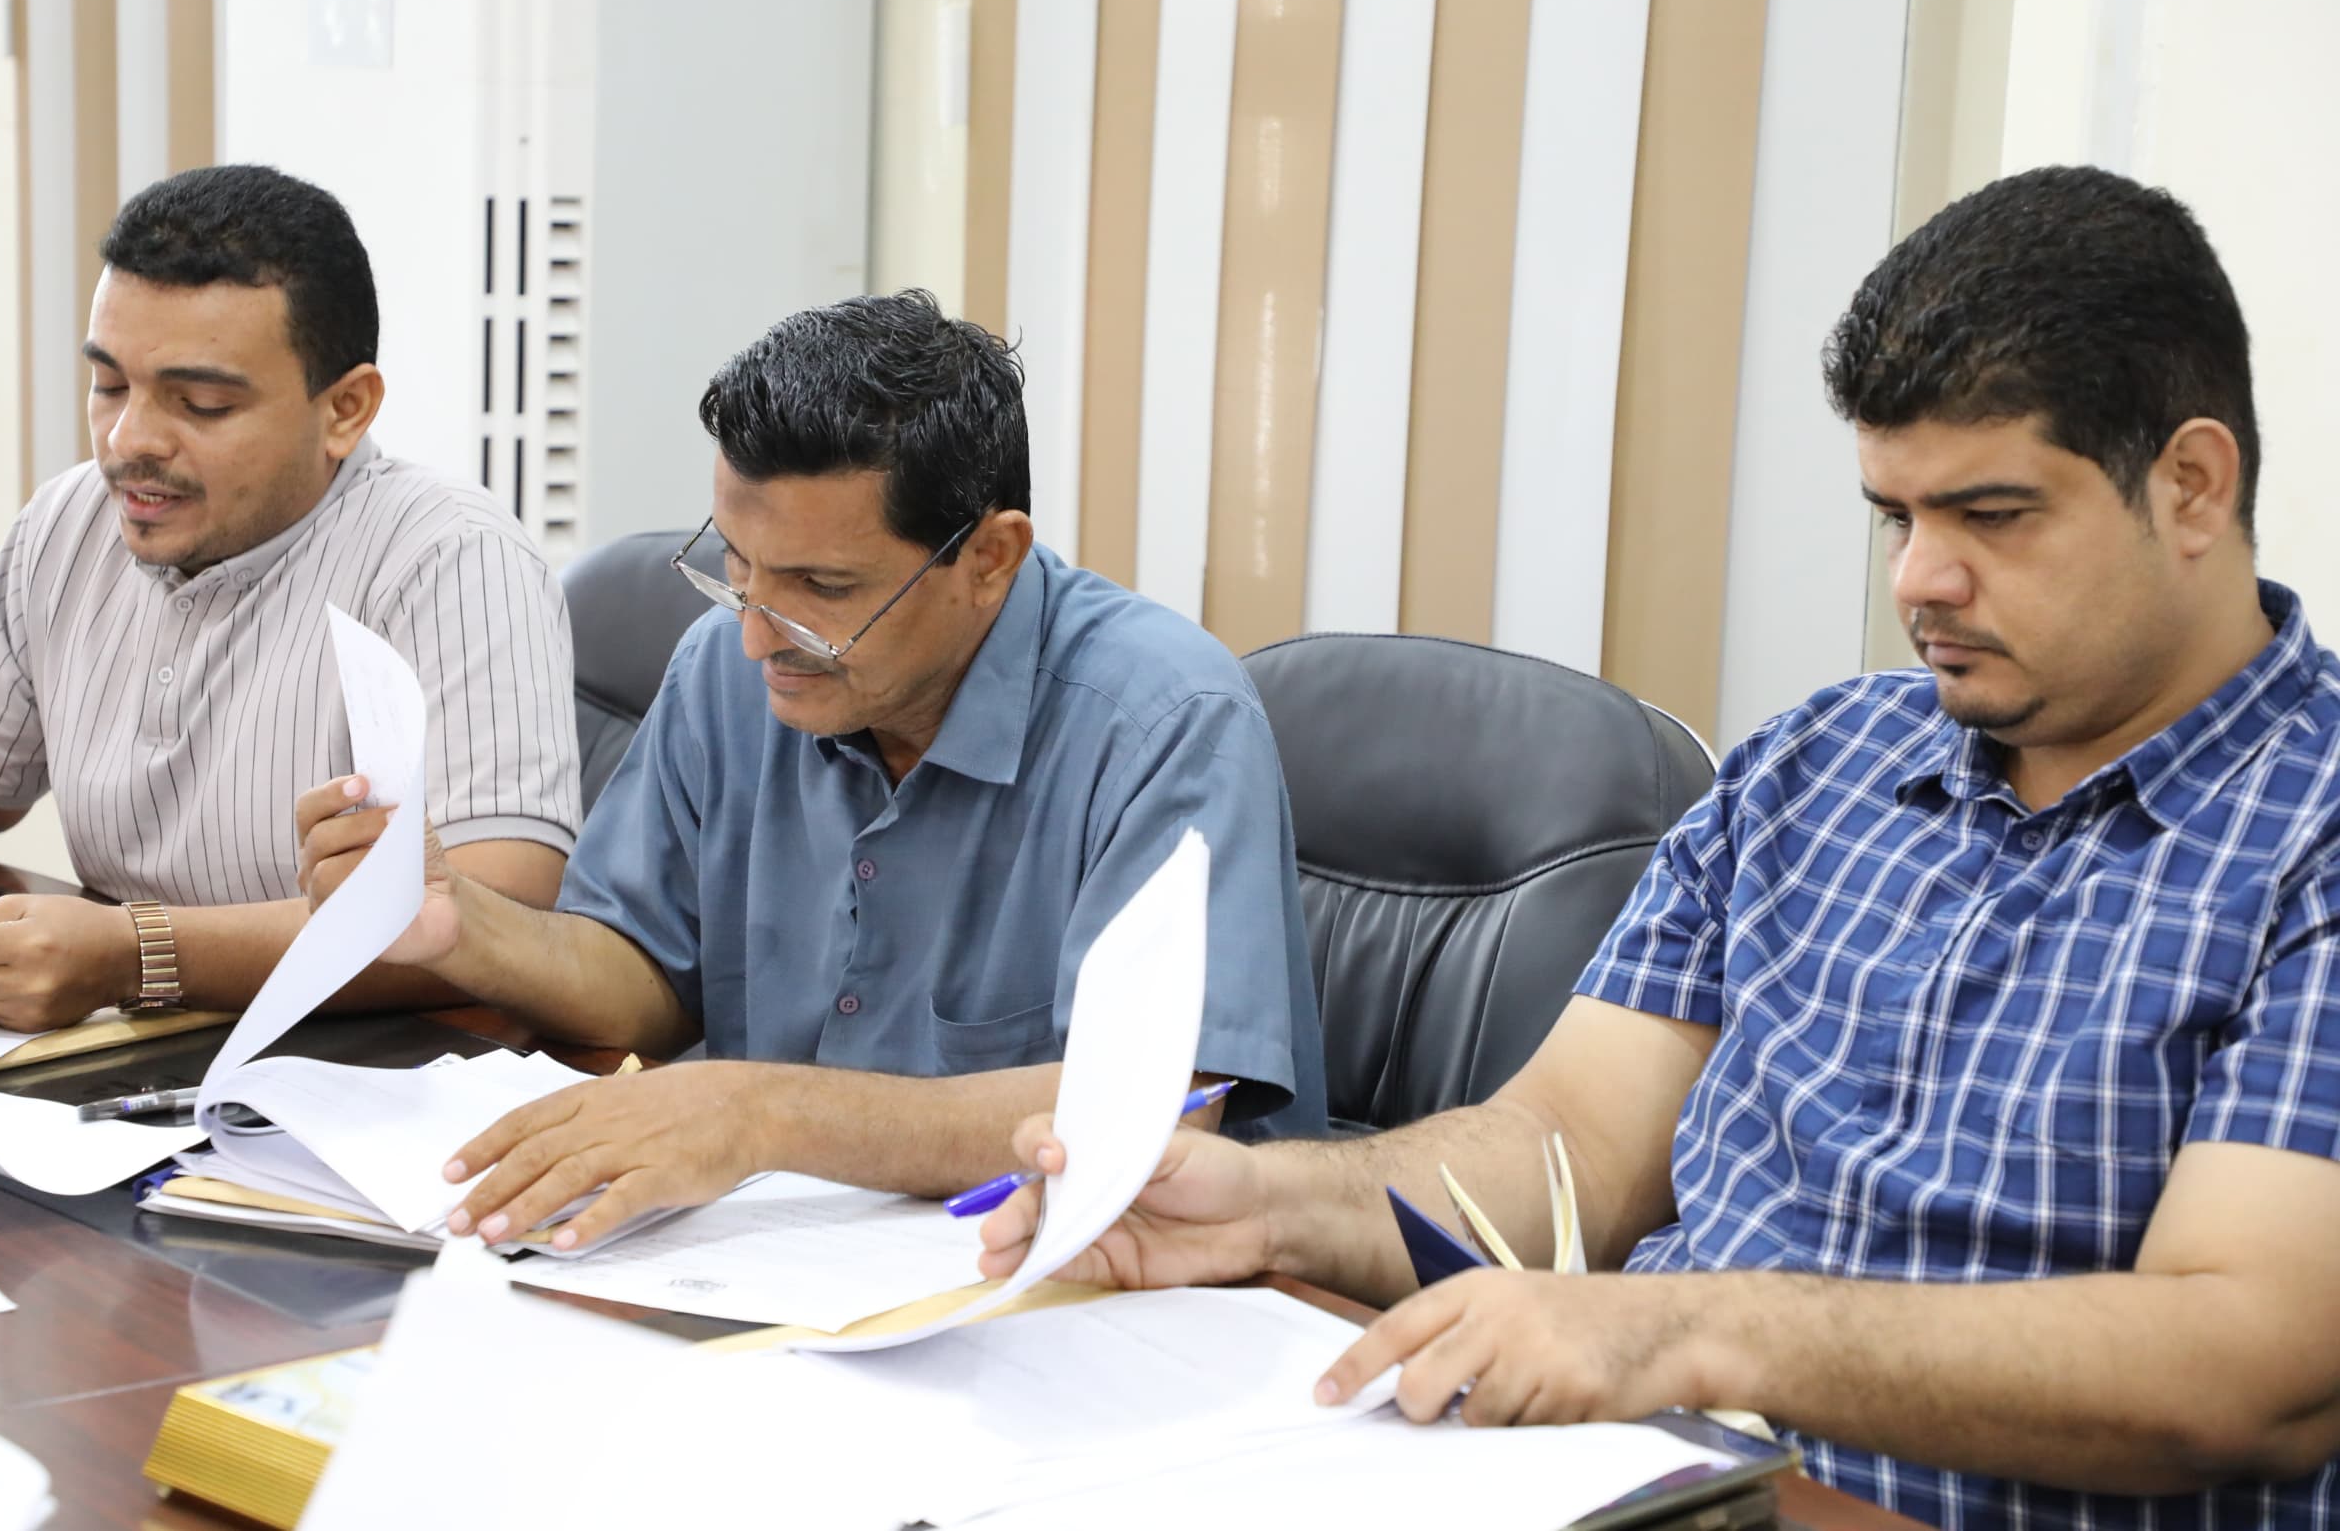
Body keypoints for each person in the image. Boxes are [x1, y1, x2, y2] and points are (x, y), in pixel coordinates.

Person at [980, 167, 2340, 1527]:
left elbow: (2248, 1368)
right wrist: (1263, 1207)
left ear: (2191, 486)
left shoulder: (2309, 830)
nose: (1919, 578)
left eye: (1990, 515)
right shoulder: (1816, 765)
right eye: (1896, 515)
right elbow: (1562, 1147)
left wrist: (1691, 1328)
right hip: (1640, 1491)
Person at [295, 290, 1327, 1251]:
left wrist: (763, 1113)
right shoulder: (727, 664)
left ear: (990, 559)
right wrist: (462, 926)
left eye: (822, 588)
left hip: (1092, 1275)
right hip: (783, 1257)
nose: (757, 636)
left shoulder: (1164, 720)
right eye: (738, 567)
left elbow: (1153, 1108)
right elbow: (645, 977)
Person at [0, 165, 580, 1032]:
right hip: (125, 1039)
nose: (129, 441)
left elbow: (499, 906)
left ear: (345, 409)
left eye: (199, 404)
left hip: (360, 1067)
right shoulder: (70, 522)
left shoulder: (450, 559)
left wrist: (139, 953)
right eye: (109, 386)